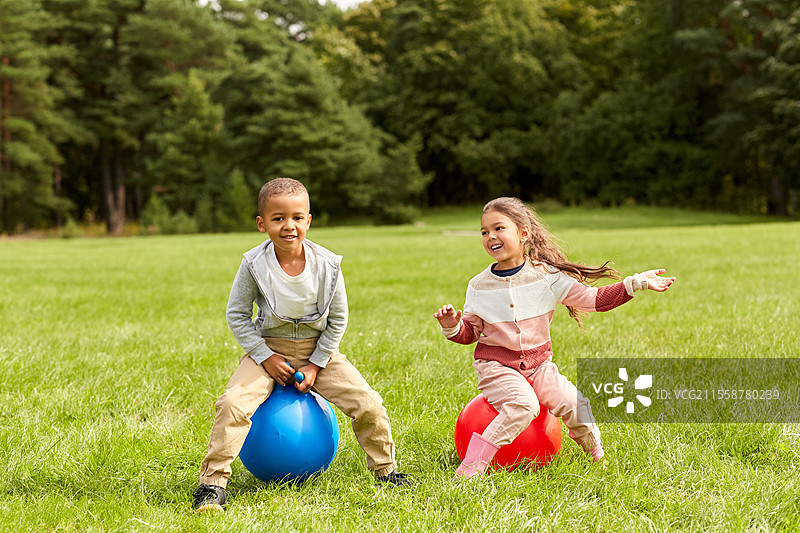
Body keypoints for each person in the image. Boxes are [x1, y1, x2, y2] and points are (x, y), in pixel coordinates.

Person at [193, 177, 410, 513]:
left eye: (297, 217)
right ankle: (212, 485)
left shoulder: (328, 264)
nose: (288, 226)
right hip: (269, 349)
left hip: (318, 350)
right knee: (233, 404)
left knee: (368, 402)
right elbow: (237, 314)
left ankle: (385, 470)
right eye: (278, 218)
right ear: (262, 223)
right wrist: (265, 356)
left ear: (308, 220)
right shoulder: (253, 264)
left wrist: (317, 363)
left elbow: (338, 319)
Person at [434, 197, 675, 478]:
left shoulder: (547, 276)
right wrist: (452, 326)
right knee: (523, 406)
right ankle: (471, 467)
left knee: (575, 402)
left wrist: (636, 283)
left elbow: (594, 300)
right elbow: (470, 333)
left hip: (539, 366)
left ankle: (596, 455)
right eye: (484, 232)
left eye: (499, 228)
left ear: (524, 233)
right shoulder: (478, 286)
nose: (491, 237)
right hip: (497, 368)